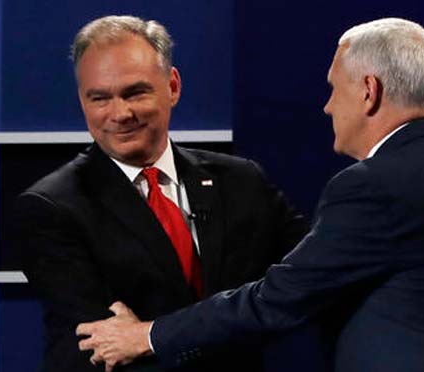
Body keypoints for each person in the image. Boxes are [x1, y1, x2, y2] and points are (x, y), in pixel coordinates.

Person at [76, 18, 424, 372]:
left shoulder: (371, 184)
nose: (325, 106)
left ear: (369, 91)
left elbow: (277, 300)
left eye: (334, 88)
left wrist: (147, 336)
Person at [16, 16, 308, 372]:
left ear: (172, 86)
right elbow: (105, 346)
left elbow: (306, 278)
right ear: (82, 100)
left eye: (135, 92)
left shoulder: (241, 181)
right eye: (100, 98)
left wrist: (149, 335)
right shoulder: (50, 207)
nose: (120, 113)